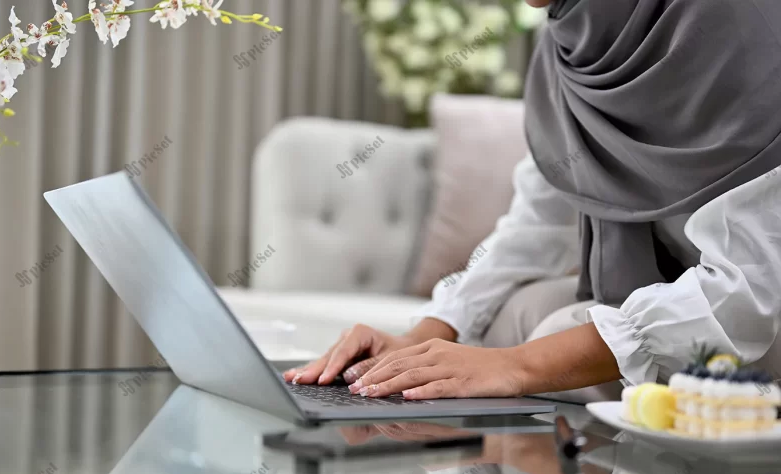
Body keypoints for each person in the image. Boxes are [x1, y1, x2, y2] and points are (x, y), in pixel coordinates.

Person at [284, 0, 781, 399]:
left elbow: (750, 292)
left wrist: (514, 367)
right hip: (684, 287)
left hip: (761, 306)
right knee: (515, 318)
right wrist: (421, 337)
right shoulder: (572, 36)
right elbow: (538, 223)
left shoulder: (743, 27)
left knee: (542, 336)